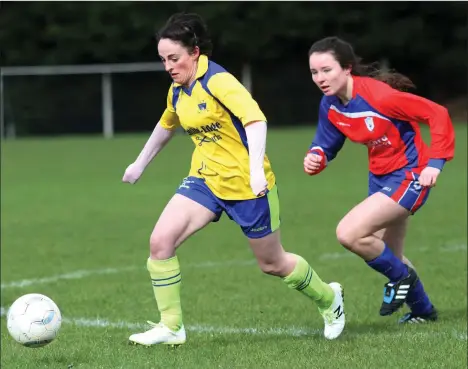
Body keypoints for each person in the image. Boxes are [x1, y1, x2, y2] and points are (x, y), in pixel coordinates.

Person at [122, 13, 346, 346]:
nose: (168, 66)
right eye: (163, 60)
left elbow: (256, 121)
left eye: (174, 58)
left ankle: (329, 299)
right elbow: (167, 124)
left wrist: (256, 170)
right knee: (160, 243)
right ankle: (171, 327)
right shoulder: (178, 90)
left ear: (194, 52)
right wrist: (140, 163)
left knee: (272, 263)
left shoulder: (219, 82)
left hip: (248, 186)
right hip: (205, 180)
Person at [304, 36, 455, 323]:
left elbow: (437, 114)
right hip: (380, 178)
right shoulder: (331, 104)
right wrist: (316, 156)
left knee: (349, 233)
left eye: (327, 70)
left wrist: (436, 163)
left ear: (347, 68)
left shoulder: (379, 96)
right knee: (390, 254)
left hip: (411, 175)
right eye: (314, 72)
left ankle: (400, 279)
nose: (320, 78)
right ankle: (423, 311)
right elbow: (327, 141)